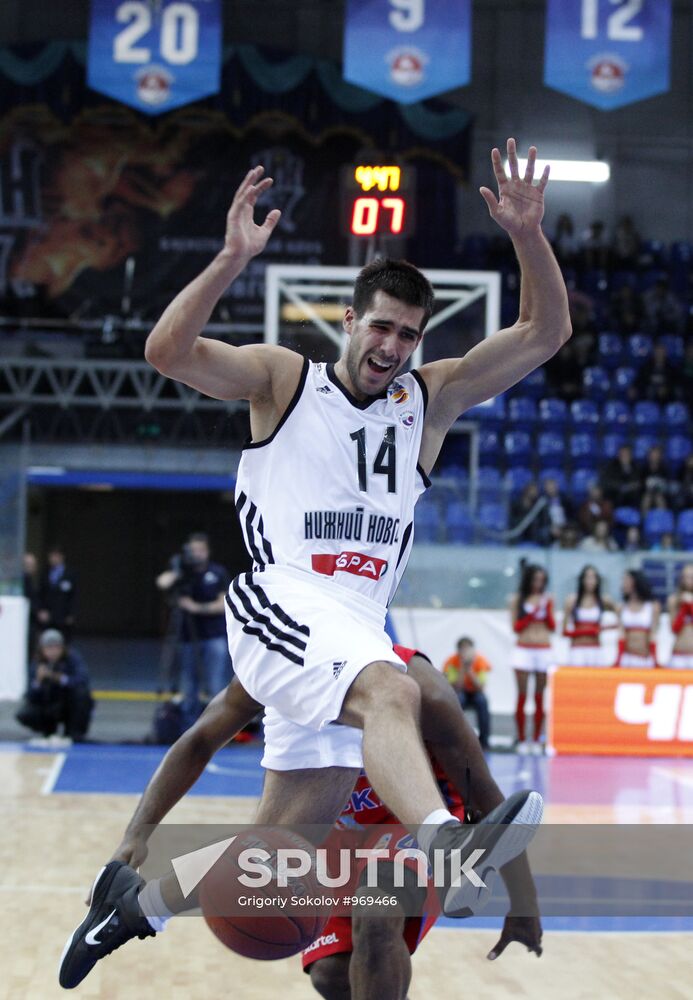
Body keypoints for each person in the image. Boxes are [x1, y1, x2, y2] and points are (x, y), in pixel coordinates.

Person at [59, 139, 568, 988]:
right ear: (348, 320)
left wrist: (526, 235)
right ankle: (446, 840)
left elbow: (544, 332)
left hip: (347, 630)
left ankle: (135, 904)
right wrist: (229, 259)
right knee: (396, 686)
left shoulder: (428, 399)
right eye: (381, 327)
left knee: (285, 850)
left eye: (409, 333)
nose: (394, 346)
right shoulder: (282, 380)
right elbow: (167, 353)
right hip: (282, 602)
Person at [74, 646, 541, 1000]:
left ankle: (139, 909)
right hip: (333, 835)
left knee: (376, 913)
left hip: (413, 827)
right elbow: (198, 740)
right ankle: (133, 909)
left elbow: (490, 797)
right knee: (332, 974)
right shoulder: (283, 662)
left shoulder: (423, 688)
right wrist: (136, 833)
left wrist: (524, 901)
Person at [155, 532, 232, 722]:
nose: (197, 554)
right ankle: (188, 726)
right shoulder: (182, 574)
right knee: (190, 685)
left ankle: (216, 724)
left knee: (215, 685)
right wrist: (176, 570)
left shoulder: (217, 572)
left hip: (213, 636)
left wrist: (195, 607)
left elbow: (224, 603)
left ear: (207, 551)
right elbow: (162, 583)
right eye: (193, 550)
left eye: (200, 550)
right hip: (188, 637)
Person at [15, 629, 93, 745]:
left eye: (56, 648)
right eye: (48, 648)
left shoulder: (72, 659)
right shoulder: (36, 664)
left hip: (67, 704)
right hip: (49, 706)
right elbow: (30, 696)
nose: (53, 652)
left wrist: (60, 678)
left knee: (82, 695)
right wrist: (38, 682)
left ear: (62, 648)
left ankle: (74, 733)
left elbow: (83, 680)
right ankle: (47, 731)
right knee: (26, 713)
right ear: (42, 650)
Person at [510, 564, 554, 754]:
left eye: (542, 580)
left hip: (543, 649)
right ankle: (521, 738)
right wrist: (533, 612)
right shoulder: (518, 599)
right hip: (524, 649)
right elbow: (516, 627)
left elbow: (552, 626)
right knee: (522, 695)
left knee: (539, 696)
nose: (539, 583)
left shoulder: (548, 599)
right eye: (536, 579)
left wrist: (545, 610)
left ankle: (536, 738)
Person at [562, 565, 617, 668]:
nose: (590, 581)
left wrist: (604, 628)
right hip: (577, 650)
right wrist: (589, 631)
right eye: (587, 577)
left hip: (595, 649)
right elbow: (564, 631)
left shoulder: (604, 600)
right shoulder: (572, 600)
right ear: (582, 580)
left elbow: (623, 617)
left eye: (593, 578)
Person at [442, 637, 492, 750]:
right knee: (458, 701)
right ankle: (456, 737)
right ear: (458, 651)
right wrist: (463, 669)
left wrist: (470, 670)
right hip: (461, 692)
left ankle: (484, 740)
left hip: (475, 692)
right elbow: (456, 688)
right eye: (462, 650)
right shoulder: (451, 662)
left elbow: (481, 688)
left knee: (482, 701)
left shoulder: (480, 661)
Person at [616, 570, 660, 668]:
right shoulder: (621, 607)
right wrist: (618, 660)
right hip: (627, 659)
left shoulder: (652, 607)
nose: (624, 584)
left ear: (636, 582)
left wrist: (655, 660)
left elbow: (653, 634)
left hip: (645, 659)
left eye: (626, 580)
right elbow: (621, 635)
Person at [38, 544, 77, 642]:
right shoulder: (45, 572)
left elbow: (74, 595)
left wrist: (71, 614)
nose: (53, 559)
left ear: (62, 557)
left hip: (63, 614)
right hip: (48, 614)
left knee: (63, 640)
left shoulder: (70, 573)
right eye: (51, 556)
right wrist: (41, 609)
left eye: (56, 556)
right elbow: (41, 593)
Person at [599, 444, 642, 508]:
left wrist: (631, 486)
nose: (625, 457)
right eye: (622, 455)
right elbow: (606, 481)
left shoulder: (636, 467)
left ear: (631, 456)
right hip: (615, 495)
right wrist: (620, 486)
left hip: (632, 495)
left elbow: (639, 481)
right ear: (619, 456)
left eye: (627, 454)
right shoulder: (611, 467)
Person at [667, 564, 693, 669]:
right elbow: (674, 629)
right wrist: (683, 608)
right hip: (678, 655)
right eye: (686, 577)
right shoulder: (673, 600)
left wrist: (690, 605)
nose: (689, 580)